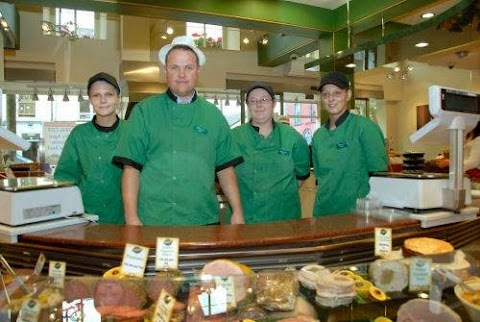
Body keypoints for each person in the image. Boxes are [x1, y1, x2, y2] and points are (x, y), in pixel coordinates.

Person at [112, 35, 244, 226]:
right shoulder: (144, 111)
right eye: (175, 67)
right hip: (153, 220)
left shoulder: (213, 115)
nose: (181, 74)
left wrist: (237, 211)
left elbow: (225, 169)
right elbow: (131, 168)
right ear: (165, 70)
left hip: (203, 220)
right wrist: (131, 217)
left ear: (197, 71)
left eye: (188, 68)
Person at [231, 82, 310, 223]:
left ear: (273, 103)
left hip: (284, 217)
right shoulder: (234, 137)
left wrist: (279, 195)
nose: (259, 105)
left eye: (264, 100)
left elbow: (301, 176)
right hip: (245, 218)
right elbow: (224, 177)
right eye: (253, 101)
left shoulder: (293, 138)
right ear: (247, 105)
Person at [311, 71, 388, 216]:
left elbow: (379, 175)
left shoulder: (364, 127)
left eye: (337, 93)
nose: (331, 99)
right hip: (323, 212)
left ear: (348, 95)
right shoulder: (318, 136)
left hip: (356, 213)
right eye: (326, 94)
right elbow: (320, 177)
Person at [54, 72, 125, 224]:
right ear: (90, 100)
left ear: (118, 98)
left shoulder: (132, 132)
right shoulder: (79, 135)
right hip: (86, 217)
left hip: (125, 218)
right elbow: (64, 177)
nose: (103, 100)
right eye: (96, 95)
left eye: (109, 94)